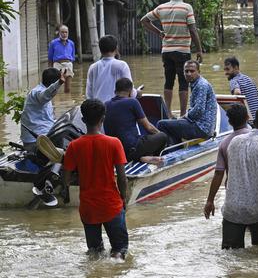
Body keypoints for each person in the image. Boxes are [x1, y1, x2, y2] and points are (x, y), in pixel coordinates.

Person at [63, 99, 128, 259]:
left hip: (88, 208)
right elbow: (122, 177)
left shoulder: (74, 146)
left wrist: (67, 188)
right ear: (103, 118)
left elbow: (66, 178)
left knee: (94, 252)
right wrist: (123, 198)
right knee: (120, 250)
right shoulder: (114, 143)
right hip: (111, 205)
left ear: (83, 120)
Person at [218, 107, 258, 249]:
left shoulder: (234, 141)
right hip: (257, 210)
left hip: (232, 209)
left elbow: (241, 169)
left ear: (254, 121)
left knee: (231, 256)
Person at [141, 0, 204, 116]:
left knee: (168, 81)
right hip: (182, 51)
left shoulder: (161, 8)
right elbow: (192, 29)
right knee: (183, 82)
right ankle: (182, 114)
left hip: (167, 51)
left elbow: (144, 20)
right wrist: (199, 49)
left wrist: (158, 32)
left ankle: (168, 113)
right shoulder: (187, 8)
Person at [203, 103, 251, 221]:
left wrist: (210, 200)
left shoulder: (224, 143)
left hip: (233, 194)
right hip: (255, 194)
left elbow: (219, 174)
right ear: (248, 118)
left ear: (229, 122)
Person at [104, 78, 167, 165]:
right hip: (132, 149)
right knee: (162, 136)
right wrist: (160, 134)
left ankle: (141, 157)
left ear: (115, 91)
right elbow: (148, 127)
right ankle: (150, 157)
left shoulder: (106, 104)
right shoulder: (132, 101)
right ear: (130, 92)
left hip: (115, 151)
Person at [157, 61, 216, 145]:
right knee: (173, 122)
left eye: (192, 71)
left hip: (202, 128)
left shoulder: (201, 85)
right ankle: (177, 147)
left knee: (161, 124)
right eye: (186, 71)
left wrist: (185, 117)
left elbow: (198, 110)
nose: (188, 74)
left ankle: (173, 151)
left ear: (198, 72)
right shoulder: (197, 83)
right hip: (203, 126)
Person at [20, 68, 65, 152]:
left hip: (39, 136)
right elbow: (44, 96)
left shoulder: (40, 90)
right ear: (53, 83)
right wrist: (59, 83)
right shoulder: (38, 92)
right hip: (36, 140)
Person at [86, 35, 139, 104]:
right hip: (115, 107)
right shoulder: (122, 65)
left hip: (97, 109)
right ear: (116, 48)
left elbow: (89, 94)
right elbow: (130, 91)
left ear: (100, 49)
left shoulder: (93, 67)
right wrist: (137, 93)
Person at [47, 25, 75, 93]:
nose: (64, 34)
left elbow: (73, 56)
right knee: (56, 86)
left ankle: (67, 101)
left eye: (66, 32)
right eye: (62, 32)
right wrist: (50, 70)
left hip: (68, 64)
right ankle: (55, 101)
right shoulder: (53, 43)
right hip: (57, 65)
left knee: (68, 88)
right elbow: (50, 58)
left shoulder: (71, 43)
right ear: (59, 33)